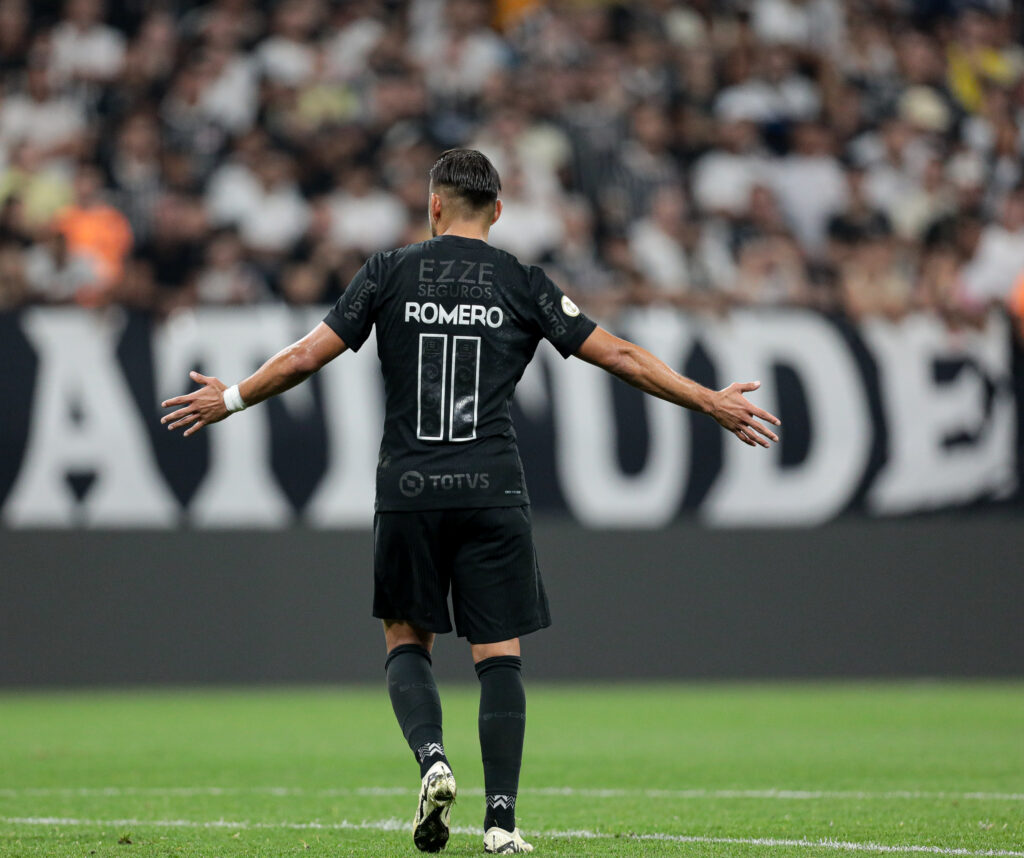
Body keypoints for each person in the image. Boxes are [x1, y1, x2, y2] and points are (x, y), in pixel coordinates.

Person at [160, 148, 780, 854]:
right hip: (492, 485)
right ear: (499, 211)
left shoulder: (389, 272)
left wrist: (231, 397)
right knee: (499, 652)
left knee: (405, 637)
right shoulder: (522, 282)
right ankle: (504, 822)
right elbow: (623, 356)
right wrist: (710, 401)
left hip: (410, 487)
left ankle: (433, 761)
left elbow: (306, 356)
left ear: (433, 207)